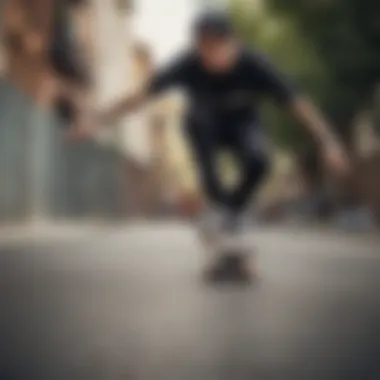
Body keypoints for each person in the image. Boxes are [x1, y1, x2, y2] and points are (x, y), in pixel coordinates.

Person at [84, 11, 350, 280]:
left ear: (232, 43)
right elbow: (140, 95)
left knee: (259, 161)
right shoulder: (187, 64)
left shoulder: (255, 64)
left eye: (215, 49)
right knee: (208, 164)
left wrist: (328, 141)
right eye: (202, 50)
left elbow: (297, 104)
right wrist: (99, 119)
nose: (209, 58)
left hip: (243, 125)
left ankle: (229, 219)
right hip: (204, 126)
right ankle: (222, 216)